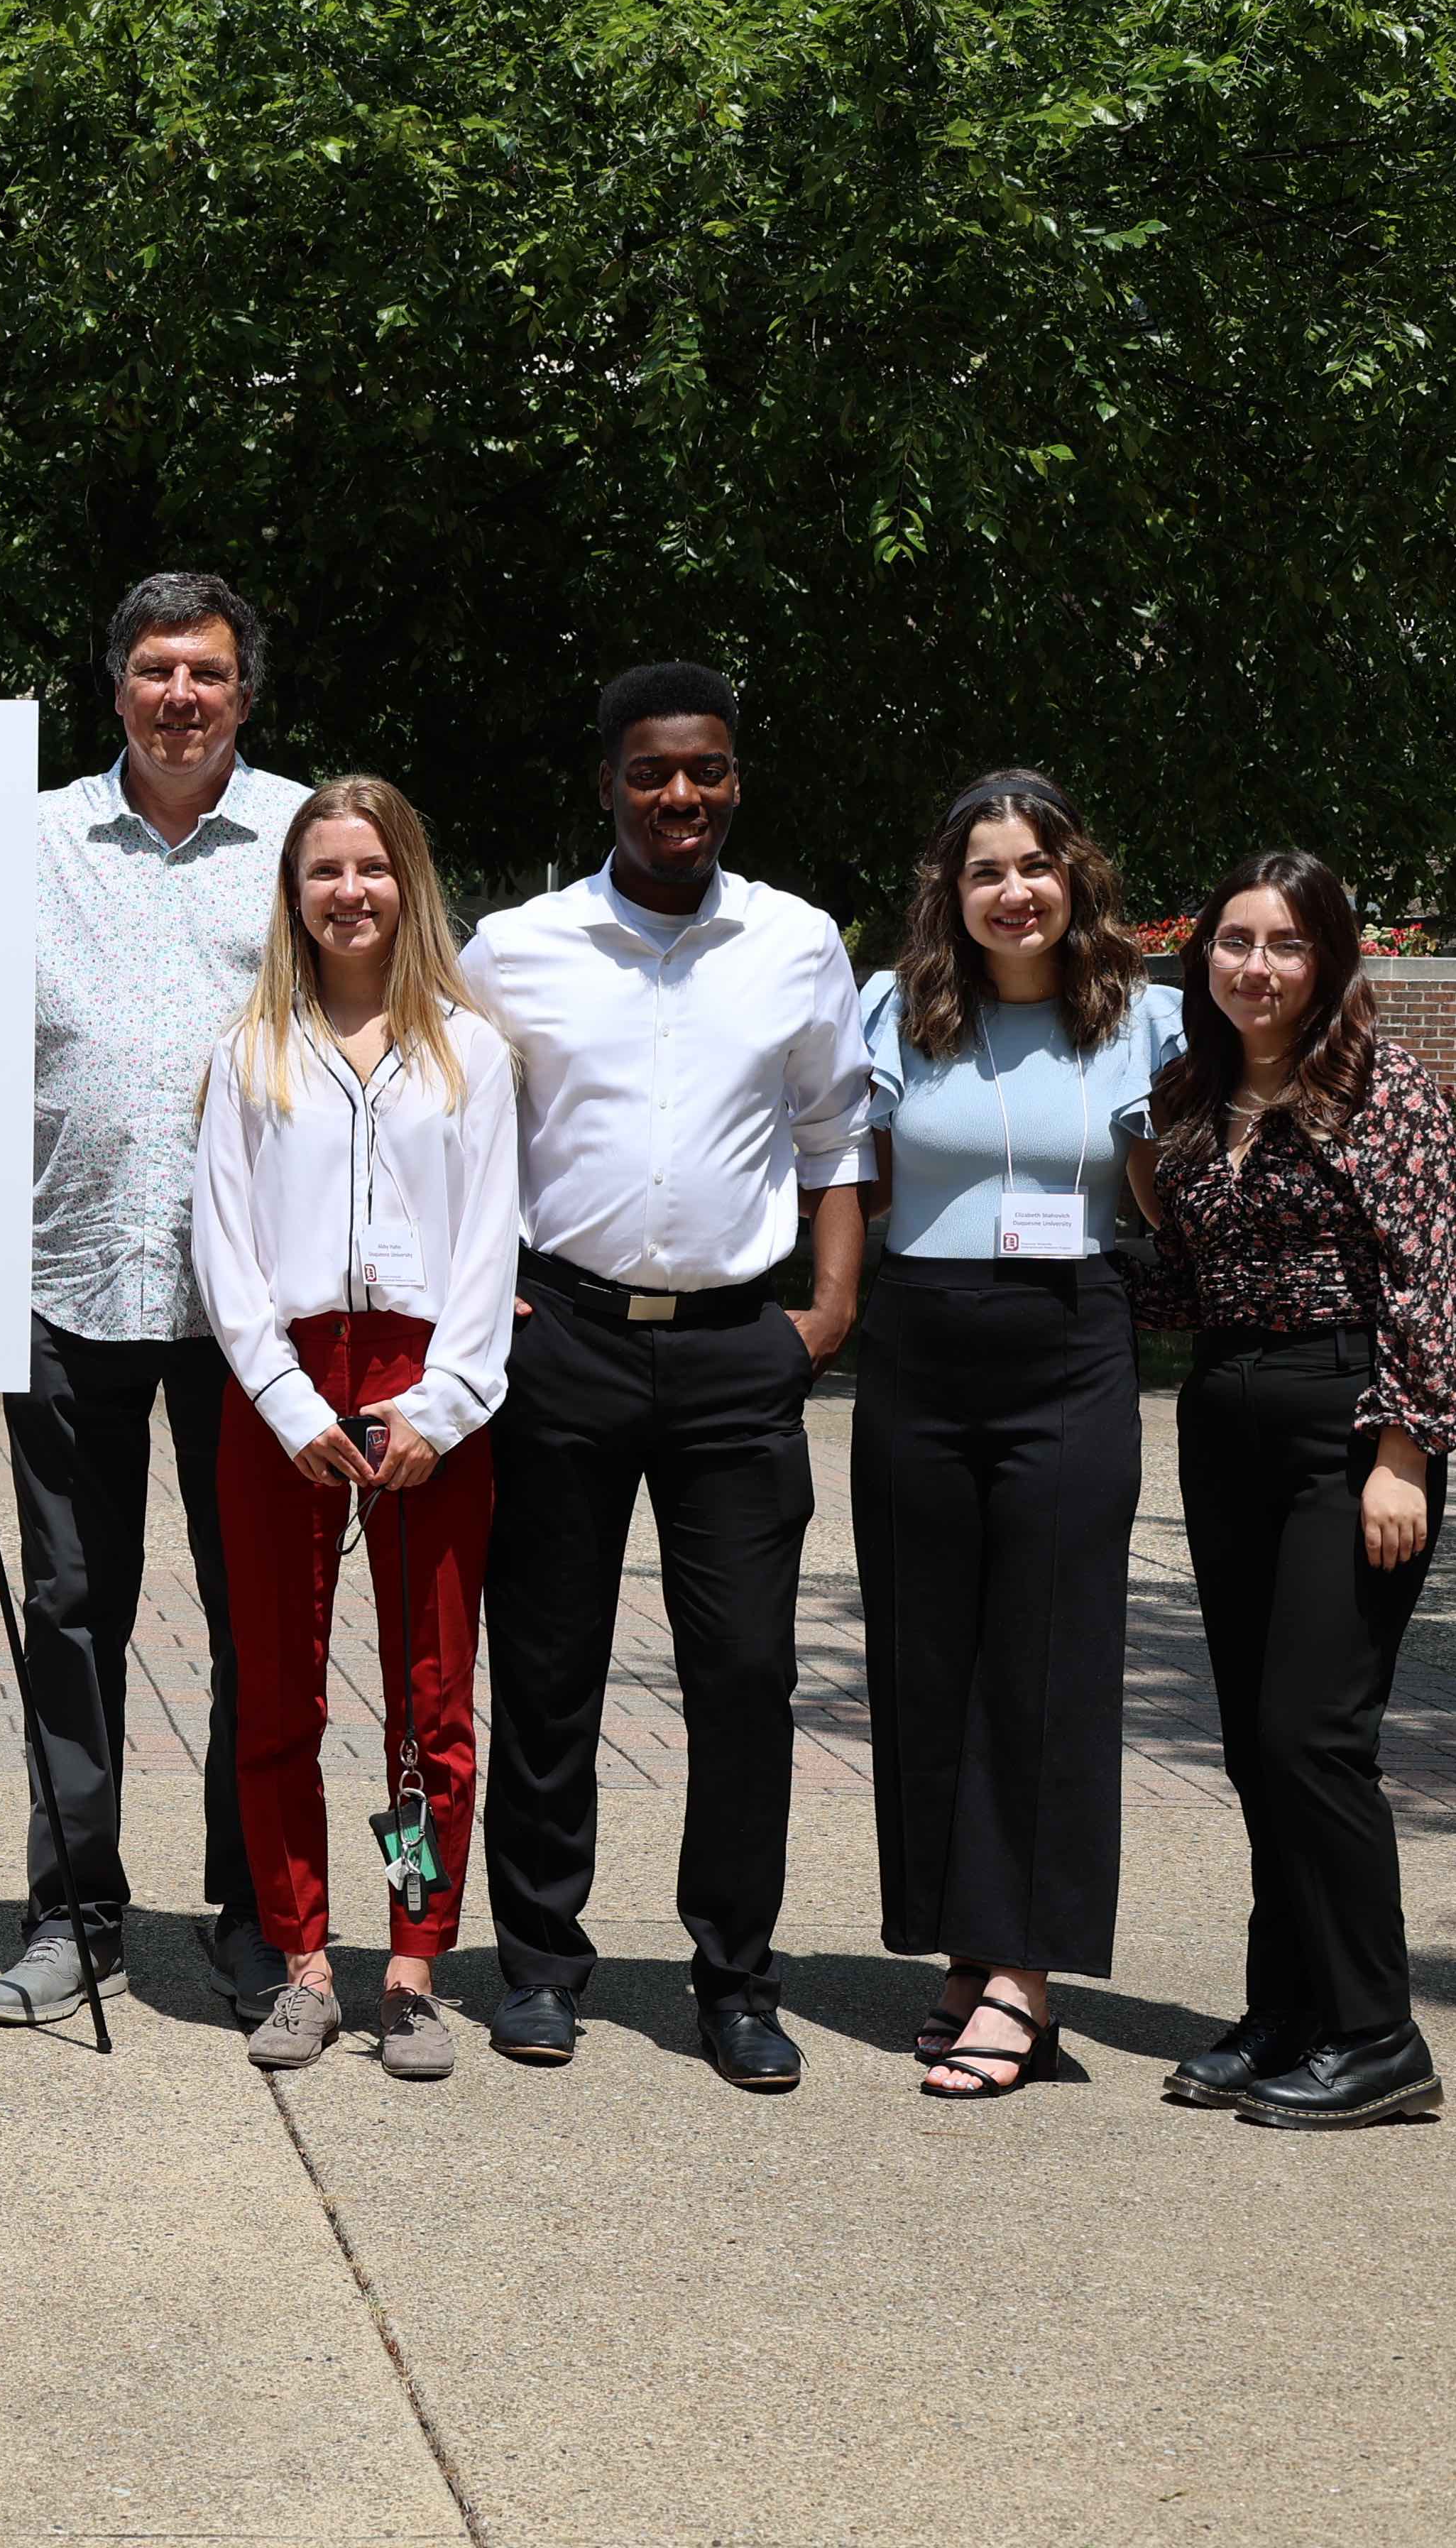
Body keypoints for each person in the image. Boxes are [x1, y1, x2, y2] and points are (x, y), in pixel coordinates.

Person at [456, 661, 872, 2092]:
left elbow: (834, 1139)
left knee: (748, 1675)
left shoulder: (798, 944)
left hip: (735, 1354)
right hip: (559, 1341)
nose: (679, 796)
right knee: (551, 1666)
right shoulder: (516, 947)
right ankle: (540, 1965)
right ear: (608, 785)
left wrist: (823, 1318)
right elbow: (463, 1131)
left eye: (704, 771)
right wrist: (486, 1297)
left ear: (736, 780)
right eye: (651, 772)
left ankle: (738, 1979)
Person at [0, 571, 310, 2028]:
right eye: (157, 670)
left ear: (244, 694)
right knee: (70, 1608)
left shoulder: (311, 841)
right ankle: (75, 1908)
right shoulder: (27, 835)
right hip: (59, 1279)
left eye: (210, 672)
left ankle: (256, 1910)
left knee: (262, 1614)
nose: (181, 694)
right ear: (114, 686)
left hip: (258, 1305)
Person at [850, 772, 1183, 2101]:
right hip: (922, 1337)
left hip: (1073, 1338)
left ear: (1075, 875)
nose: (1015, 890)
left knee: (1047, 1659)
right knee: (926, 1655)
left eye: (1036, 863)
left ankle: (1027, 1978)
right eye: (987, 869)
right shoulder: (896, 1010)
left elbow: (1164, 1210)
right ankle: (961, 1944)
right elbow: (855, 1182)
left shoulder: (1144, 1022)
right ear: (954, 889)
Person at [1130, 849, 1456, 2128]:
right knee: (1252, 1744)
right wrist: (1141, 1205)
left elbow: (1428, 1281)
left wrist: (1404, 1454)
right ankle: (1288, 2004)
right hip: (1226, 1417)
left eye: (1284, 944)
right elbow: (1180, 1296)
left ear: (1327, 959)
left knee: (1313, 1737)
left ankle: (1379, 2034)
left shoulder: (1383, 1092)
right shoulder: (1190, 1091)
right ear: (1202, 955)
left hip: (1350, 1425)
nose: (1256, 967)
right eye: (1234, 941)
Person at [192, 777, 518, 2077]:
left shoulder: (471, 1052)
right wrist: (281, 1401)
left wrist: (442, 1404)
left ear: (410, 883)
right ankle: (303, 1958)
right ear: (293, 892)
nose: (349, 895)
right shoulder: (249, 1049)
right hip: (285, 1392)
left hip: (425, 1387)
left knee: (426, 1703)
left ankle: (414, 1959)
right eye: (323, 872)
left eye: (371, 870)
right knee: (277, 1690)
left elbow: (494, 1246)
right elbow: (224, 1242)